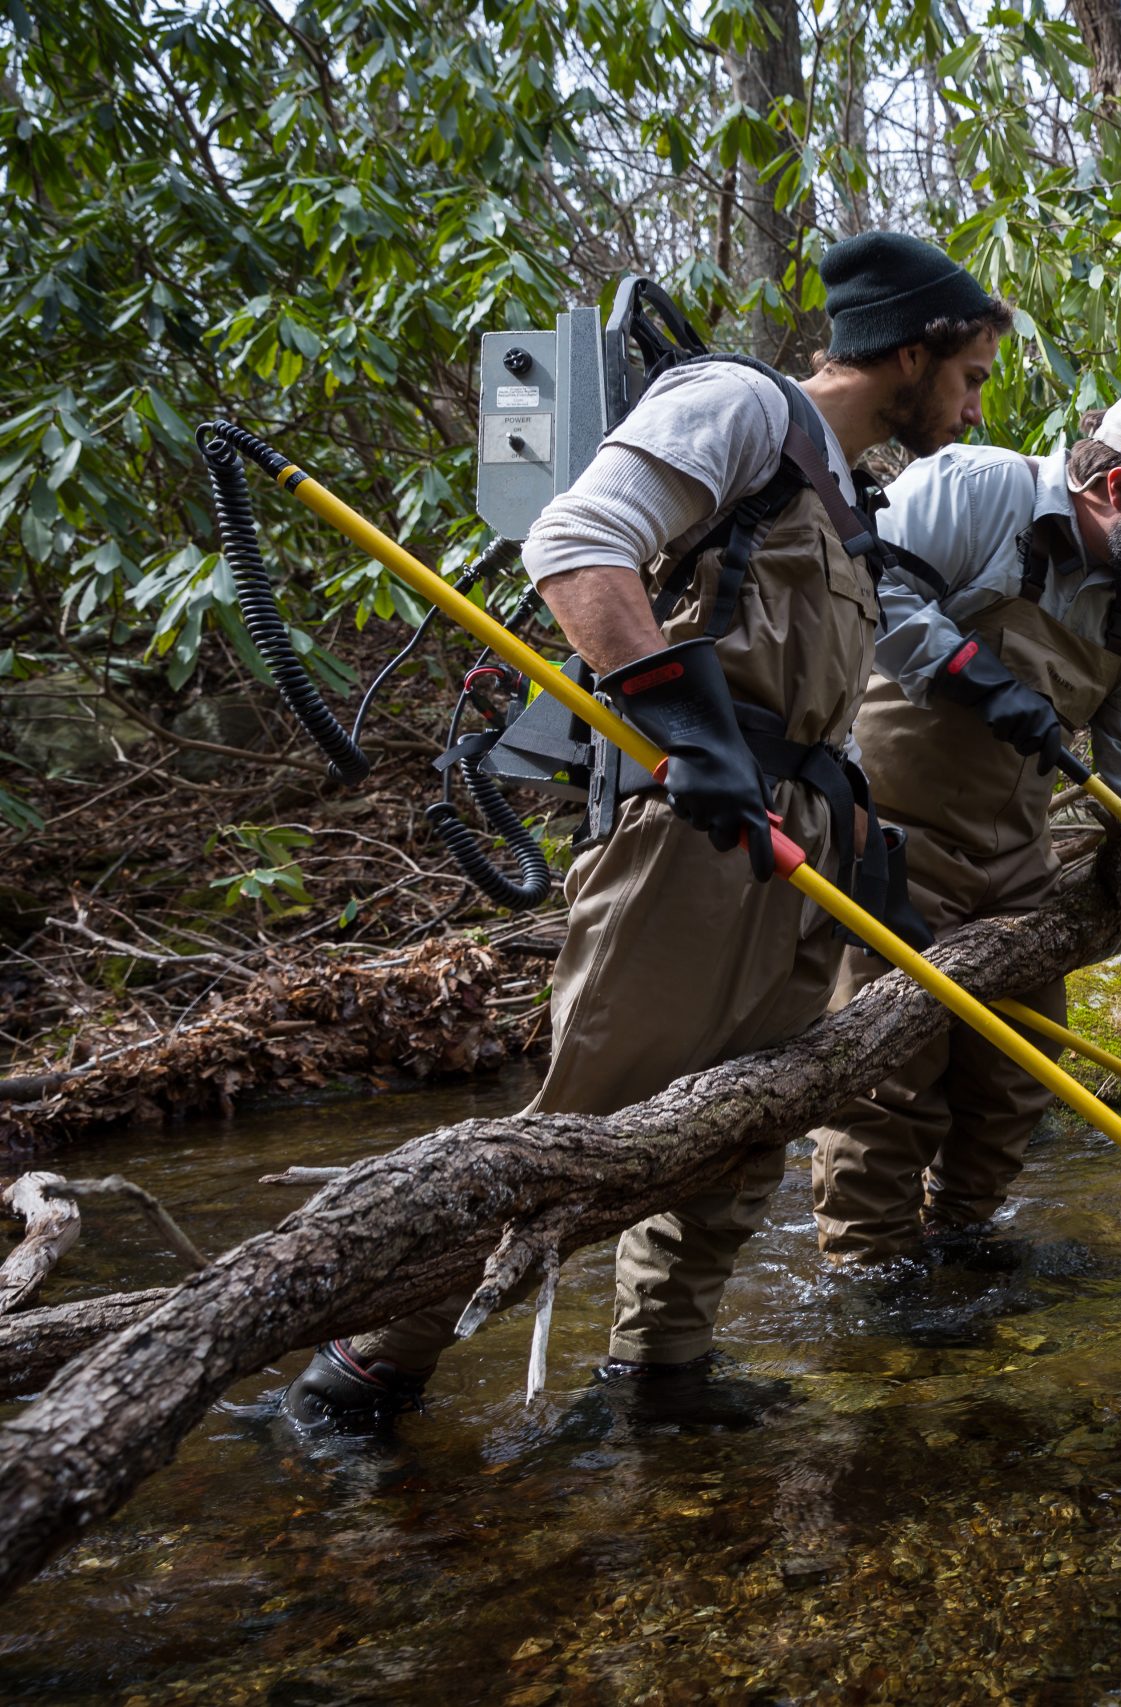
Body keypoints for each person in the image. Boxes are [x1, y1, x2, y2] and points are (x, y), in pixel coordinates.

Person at [287, 233, 1012, 1426]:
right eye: (970, 373)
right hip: (696, 828)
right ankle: (366, 1373)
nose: (974, 401)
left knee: (750, 1118)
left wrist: (865, 839)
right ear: (913, 348)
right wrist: (686, 727)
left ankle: (659, 1374)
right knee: (590, 1121)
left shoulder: (851, 496)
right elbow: (574, 544)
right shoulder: (737, 406)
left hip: (796, 841)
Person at [809, 384, 1121, 1270]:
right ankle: (869, 1290)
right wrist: (968, 672)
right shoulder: (976, 491)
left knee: (1018, 1074)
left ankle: (960, 1246)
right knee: (891, 1086)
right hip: (886, 837)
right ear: (1120, 489)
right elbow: (855, 578)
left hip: (1012, 860)